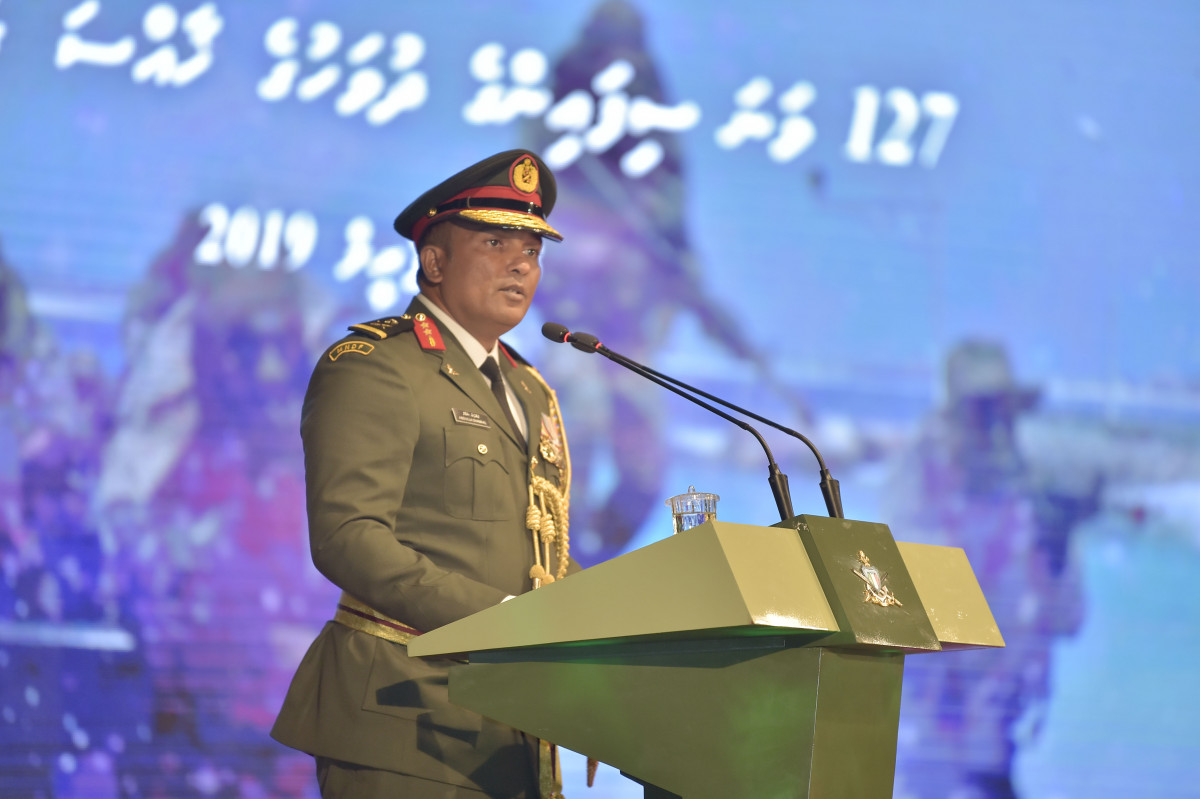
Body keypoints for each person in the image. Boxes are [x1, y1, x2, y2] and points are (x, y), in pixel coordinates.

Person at [271, 151, 575, 798]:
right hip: (401, 719)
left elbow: (537, 556)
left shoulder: (530, 390)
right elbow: (349, 536)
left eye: (533, 248)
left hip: (510, 733)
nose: (523, 263)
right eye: (496, 242)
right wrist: (502, 618)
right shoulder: (377, 364)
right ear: (434, 262)